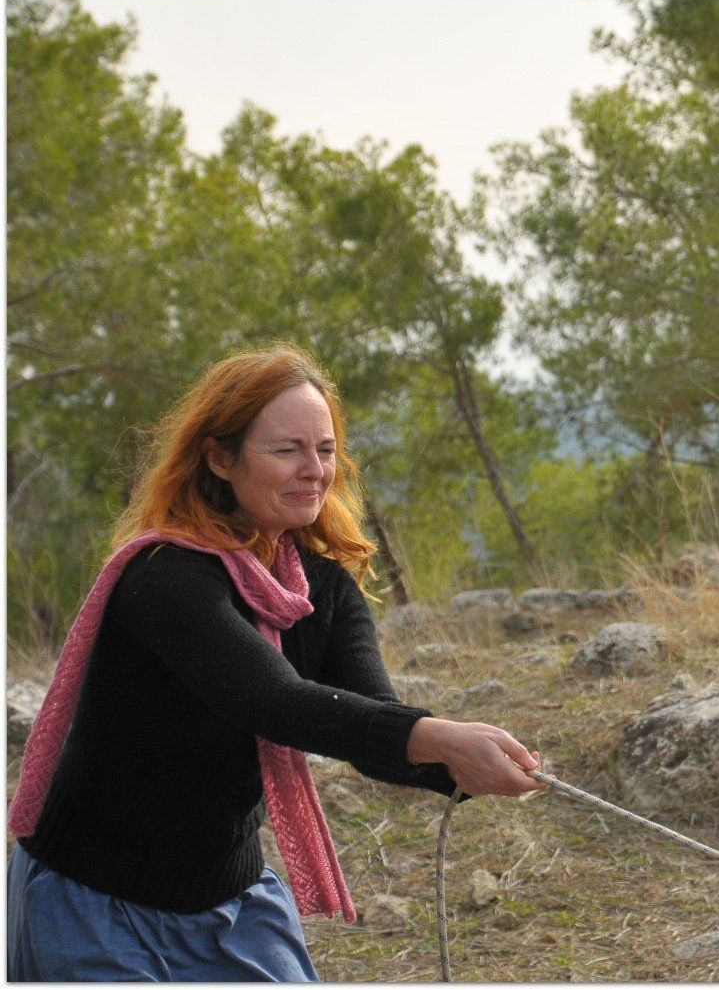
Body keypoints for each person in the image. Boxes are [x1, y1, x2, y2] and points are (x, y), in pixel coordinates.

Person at [8, 344, 546, 981]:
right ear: (219, 458)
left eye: (325, 450)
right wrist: (438, 738)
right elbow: (273, 701)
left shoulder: (325, 588)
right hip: (93, 900)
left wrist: (461, 767)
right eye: (287, 450)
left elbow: (375, 729)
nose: (313, 470)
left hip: (230, 905)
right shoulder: (165, 578)